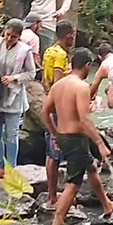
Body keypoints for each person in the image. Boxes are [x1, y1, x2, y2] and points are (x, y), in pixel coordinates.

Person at [42, 48, 113, 225]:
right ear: (87, 65)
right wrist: (100, 144)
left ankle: (107, 205)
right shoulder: (81, 87)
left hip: (65, 136)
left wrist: (55, 134)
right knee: (73, 184)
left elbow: (45, 112)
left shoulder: (58, 85)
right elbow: (85, 119)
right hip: (76, 137)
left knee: (91, 167)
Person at [0, 19, 37, 179]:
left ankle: (11, 167)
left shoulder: (25, 51)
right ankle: (0, 167)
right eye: (7, 35)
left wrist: (15, 77)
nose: (9, 39)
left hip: (13, 97)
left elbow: (31, 73)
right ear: (4, 31)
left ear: (19, 37)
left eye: (13, 37)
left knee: (12, 134)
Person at [40, 21, 75, 211]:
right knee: (55, 152)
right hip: (58, 108)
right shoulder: (60, 55)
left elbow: (45, 81)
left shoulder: (49, 51)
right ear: (68, 34)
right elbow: (58, 82)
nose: (73, 38)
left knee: (50, 152)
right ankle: (53, 197)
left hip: (50, 102)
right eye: (72, 35)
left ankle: (53, 194)